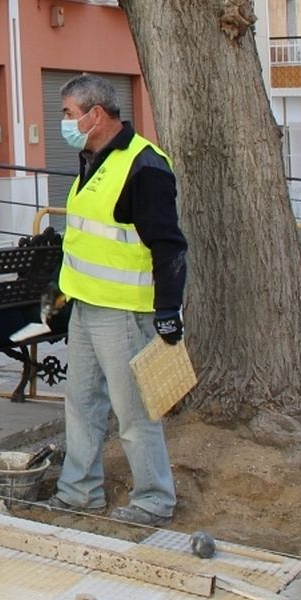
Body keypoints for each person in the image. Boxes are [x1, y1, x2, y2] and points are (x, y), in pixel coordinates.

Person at [48, 73, 188, 527]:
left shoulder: (144, 166)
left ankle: (153, 500)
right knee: (81, 404)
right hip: (86, 307)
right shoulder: (92, 159)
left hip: (125, 313)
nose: (63, 122)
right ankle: (79, 492)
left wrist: (168, 310)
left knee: (133, 413)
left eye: (69, 113)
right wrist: (61, 295)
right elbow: (85, 238)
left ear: (96, 115)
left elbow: (168, 245)